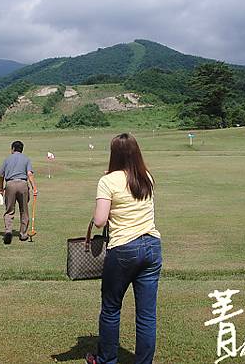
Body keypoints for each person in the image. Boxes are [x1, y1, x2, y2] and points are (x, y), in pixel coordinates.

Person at [85, 133, 162, 364]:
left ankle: (106, 360)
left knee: (111, 309)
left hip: (124, 249)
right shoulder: (146, 176)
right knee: (147, 315)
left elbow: (99, 220)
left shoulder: (108, 180)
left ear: (114, 154)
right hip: (152, 245)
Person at [0, 140, 37, 244]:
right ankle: (23, 234)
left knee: (9, 210)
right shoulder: (26, 159)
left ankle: (8, 231)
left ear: (13, 148)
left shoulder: (7, 159)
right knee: (24, 210)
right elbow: (29, 174)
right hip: (23, 184)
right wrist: (34, 187)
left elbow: (1, 175)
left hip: (10, 184)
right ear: (22, 149)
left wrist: (1, 187)